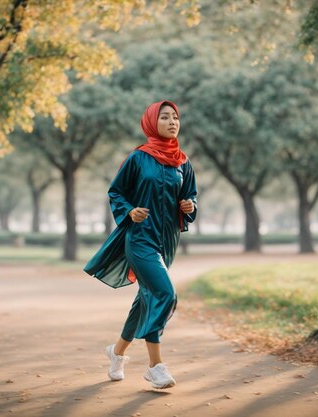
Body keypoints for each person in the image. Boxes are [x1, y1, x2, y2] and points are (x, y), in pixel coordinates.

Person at [84, 100, 198, 389]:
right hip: (140, 239)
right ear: (151, 123)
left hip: (168, 240)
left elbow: (191, 197)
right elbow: (116, 192)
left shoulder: (183, 162)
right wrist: (129, 211)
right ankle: (155, 366)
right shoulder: (138, 158)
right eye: (165, 117)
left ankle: (117, 352)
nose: (172, 122)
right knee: (165, 294)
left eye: (175, 117)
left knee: (145, 300)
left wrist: (189, 205)